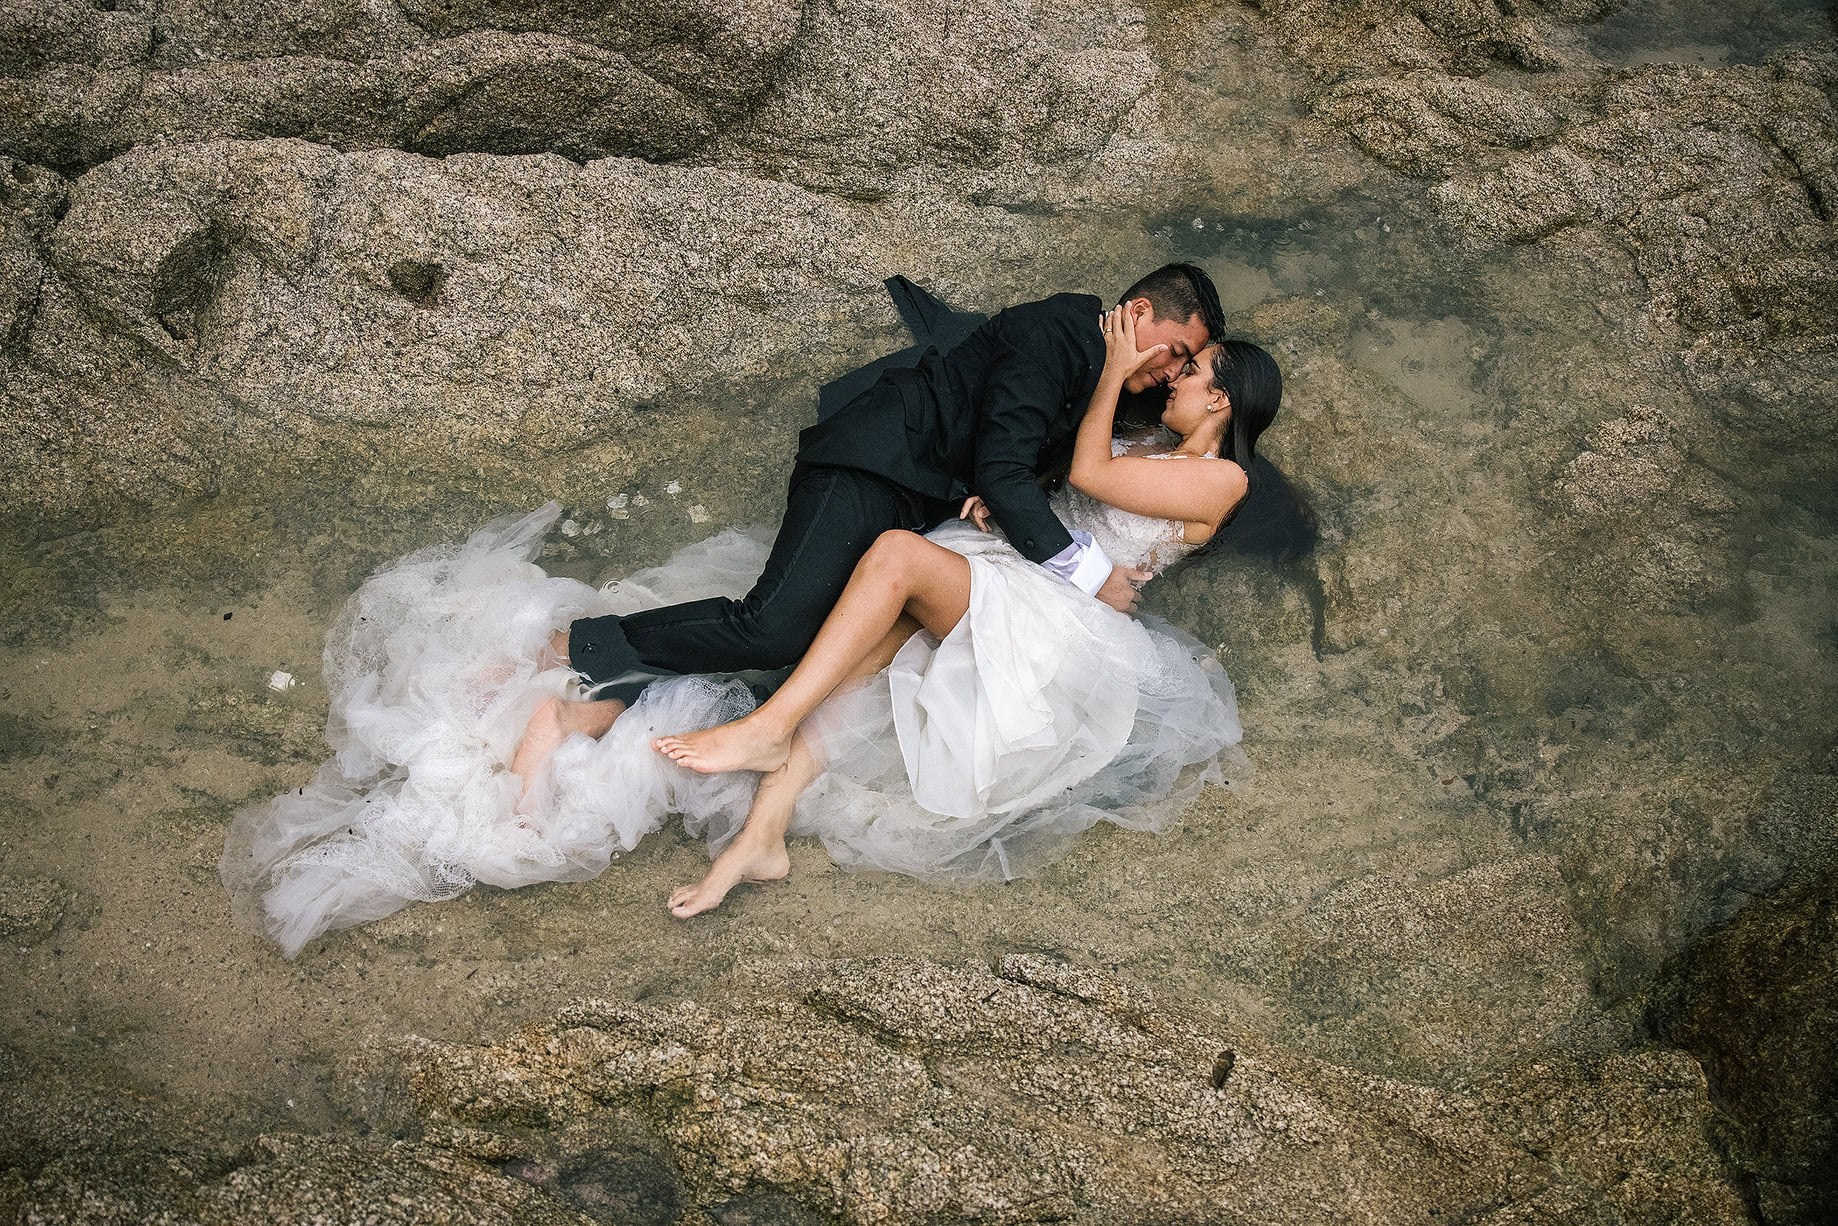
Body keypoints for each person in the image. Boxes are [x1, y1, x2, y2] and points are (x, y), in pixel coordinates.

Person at [653, 310, 1282, 915]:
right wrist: (1008, 500)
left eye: (1192, 369)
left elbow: (1091, 472)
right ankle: (759, 837)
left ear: (1221, 400)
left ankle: (768, 728)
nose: (1174, 376)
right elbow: (1066, 483)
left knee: (897, 556)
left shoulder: (1224, 480)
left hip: (1056, 616)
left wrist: (1115, 371)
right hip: (1014, 567)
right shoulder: (1151, 440)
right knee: (859, 665)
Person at [519, 265, 1222, 766]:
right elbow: (1009, 461)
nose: (1168, 373)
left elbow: (1024, 450)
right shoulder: (1058, 332)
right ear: (1136, 317)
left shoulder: (1100, 368)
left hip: (914, 493)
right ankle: (572, 647)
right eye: (1176, 353)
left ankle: (606, 701)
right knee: (773, 625)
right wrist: (1088, 572)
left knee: (818, 639)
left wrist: (1008, 480)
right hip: (873, 463)